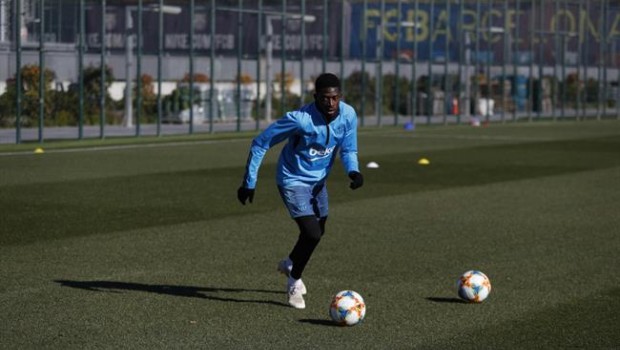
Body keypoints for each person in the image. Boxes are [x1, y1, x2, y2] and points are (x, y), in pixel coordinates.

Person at [237, 73, 363, 309]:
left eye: (335, 98)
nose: (331, 103)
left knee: (319, 230)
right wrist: (249, 182)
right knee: (312, 233)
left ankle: (290, 263)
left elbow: (348, 149)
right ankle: (294, 281)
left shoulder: (348, 115)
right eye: (325, 98)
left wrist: (353, 171)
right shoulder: (299, 119)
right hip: (292, 179)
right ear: (316, 97)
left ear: (340, 97)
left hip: (318, 183)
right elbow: (261, 143)